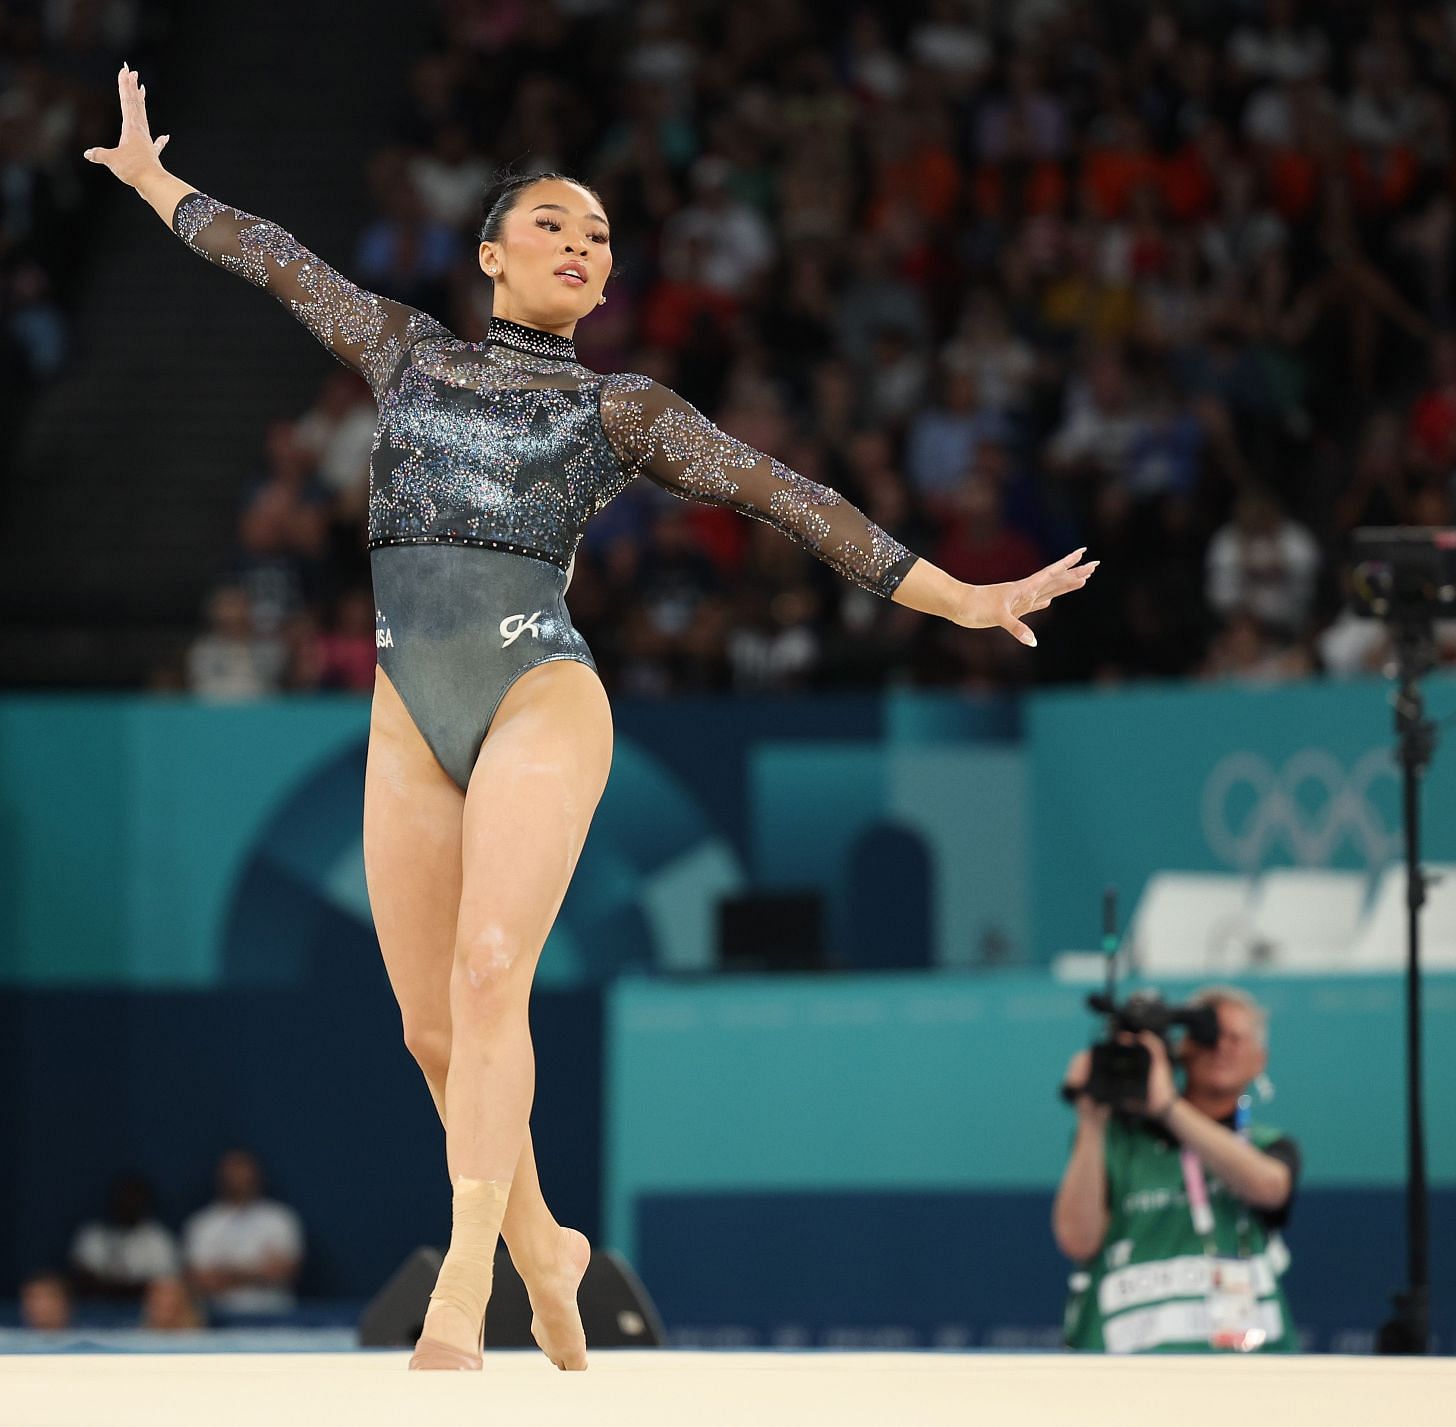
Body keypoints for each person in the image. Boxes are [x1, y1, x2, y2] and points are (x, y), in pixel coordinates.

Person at [85, 63, 1098, 1372]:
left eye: (601, 235)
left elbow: (785, 494)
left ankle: (466, 1283)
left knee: (493, 963)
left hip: (537, 691)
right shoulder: (403, 351)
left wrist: (950, 594)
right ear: (493, 254)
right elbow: (276, 260)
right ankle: (545, 1241)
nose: (582, 243)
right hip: (408, 708)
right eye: (554, 222)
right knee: (433, 1030)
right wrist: (157, 177)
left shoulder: (619, 409)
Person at [1053, 986, 1302, 1353]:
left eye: (1236, 1038)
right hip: (1125, 1371)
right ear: (1181, 1049)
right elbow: (1077, 1240)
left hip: (1244, 1371)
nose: (1222, 1047)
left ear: (1259, 1060)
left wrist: (1167, 1106)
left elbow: (1269, 1187)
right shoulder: (1118, 1140)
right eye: (1209, 1036)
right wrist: (1091, 1120)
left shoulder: (1267, 1144)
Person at [181, 1150, 303, 1315]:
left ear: (256, 1175)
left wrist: (225, 1273)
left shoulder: (279, 1219)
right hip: (216, 1318)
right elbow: (200, 1280)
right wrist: (258, 1272)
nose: (239, 1179)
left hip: (274, 1316)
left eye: (243, 1172)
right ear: (221, 1177)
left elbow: (284, 1273)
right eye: (233, 1173)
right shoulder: (202, 1224)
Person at [69, 1172, 180, 1300]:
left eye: (134, 1199)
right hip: (96, 1309)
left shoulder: (159, 1238)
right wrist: (125, 1287)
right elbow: (82, 1280)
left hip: (143, 1310)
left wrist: (117, 1286)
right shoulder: (93, 1235)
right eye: (124, 1199)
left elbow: (166, 1285)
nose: (128, 1205)